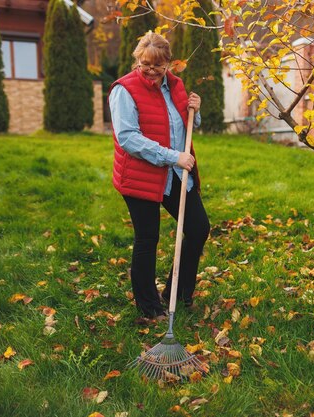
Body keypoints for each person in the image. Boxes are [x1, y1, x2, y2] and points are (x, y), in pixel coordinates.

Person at [108, 32, 210, 321]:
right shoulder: (124, 91)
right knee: (148, 237)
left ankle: (178, 293)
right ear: (137, 60)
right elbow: (128, 138)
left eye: (158, 66)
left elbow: (184, 124)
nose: (151, 71)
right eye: (145, 64)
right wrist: (172, 156)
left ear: (169, 64)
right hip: (141, 175)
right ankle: (149, 307)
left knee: (199, 228)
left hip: (176, 173)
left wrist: (195, 111)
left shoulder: (176, 86)